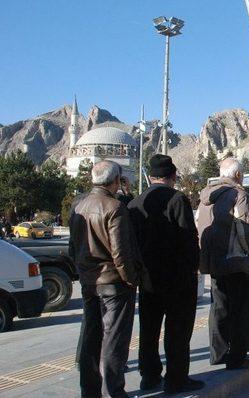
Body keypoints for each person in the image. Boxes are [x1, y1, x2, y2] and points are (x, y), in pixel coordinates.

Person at [127, 155, 203, 393]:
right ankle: (176, 378)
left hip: (148, 278)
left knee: (149, 329)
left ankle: (149, 376)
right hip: (177, 277)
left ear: (150, 177)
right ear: (172, 177)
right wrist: (193, 268)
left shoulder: (135, 203)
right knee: (177, 330)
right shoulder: (177, 199)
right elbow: (188, 238)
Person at [69, 160, 145, 398]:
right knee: (114, 340)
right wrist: (131, 279)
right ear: (115, 181)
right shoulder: (114, 207)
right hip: (113, 283)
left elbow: (73, 248)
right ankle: (114, 391)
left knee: (91, 338)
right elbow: (120, 252)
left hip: (89, 282)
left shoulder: (78, 206)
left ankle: (89, 391)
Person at [199, 158, 249, 370]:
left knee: (219, 309)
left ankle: (218, 353)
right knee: (240, 310)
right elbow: (248, 232)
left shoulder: (205, 198)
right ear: (238, 175)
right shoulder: (239, 195)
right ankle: (237, 357)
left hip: (214, 261)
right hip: (237, 261)